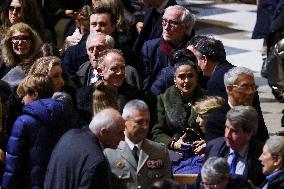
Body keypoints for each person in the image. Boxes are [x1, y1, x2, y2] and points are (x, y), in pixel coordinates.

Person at [2, 74, 74, 189]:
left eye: (23, 95)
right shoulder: (68, 115)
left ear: (34, 94)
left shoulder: (24, 122)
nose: (21, 100)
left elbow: (14, 165)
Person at [44, 108, 125, 189]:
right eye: (120, 133)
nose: (123, 138)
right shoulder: (96, 161)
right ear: (104, 132)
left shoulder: (69, 136)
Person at [104, 100, 172, 189]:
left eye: (147, 122)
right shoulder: (109, 152)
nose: (145, 127)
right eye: (139, 122)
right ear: (124, 122)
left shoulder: (160, 151)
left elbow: (167, 185)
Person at [151, 57, 204, 151]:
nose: (186, 81)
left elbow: (216, 128)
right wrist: (173, 144)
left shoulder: (208, 99)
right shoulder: (162, 100)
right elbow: (156, 132)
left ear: (197, 78)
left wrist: (206, 141)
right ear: (175, 79)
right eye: (182, 76)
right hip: (173, 153)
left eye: (190, 76)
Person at [204, 66, 269, 143]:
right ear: (230, 89)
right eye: (245, 87)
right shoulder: (217, 119)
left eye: (253, 87)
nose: (251, 92)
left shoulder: (254, 114)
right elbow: (218, 149)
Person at [205, 106, 265, 186]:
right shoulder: (213, 147)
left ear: (249, 133)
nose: (227, 135)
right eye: (226, 128)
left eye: (234, 131)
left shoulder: (262, 156)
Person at [76, 49, 140, 123]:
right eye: (114, 69)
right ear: (100, 71)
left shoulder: (134, 95)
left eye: (122, 68)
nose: (120, 73)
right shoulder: (83, 96)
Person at [142, 5, 195, 93]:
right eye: (164, 21)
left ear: (185, 27)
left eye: (173, 23)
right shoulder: (149, 48)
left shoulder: (192, 49)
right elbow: (146, 84)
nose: (166, 27)